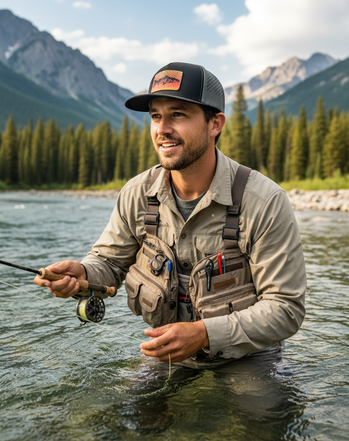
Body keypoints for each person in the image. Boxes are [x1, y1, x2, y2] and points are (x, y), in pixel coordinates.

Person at [34, 62, 306, 368]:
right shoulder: (137, 193)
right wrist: (83, 274)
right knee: (119, 413)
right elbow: (109, 263)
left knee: (255, 417)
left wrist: (203, 334)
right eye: (155, 116)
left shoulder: (264, 200)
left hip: (249, 358)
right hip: (168, 355)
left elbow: (285, 308)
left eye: (177, 114)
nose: (162, 129)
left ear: (215, 124)